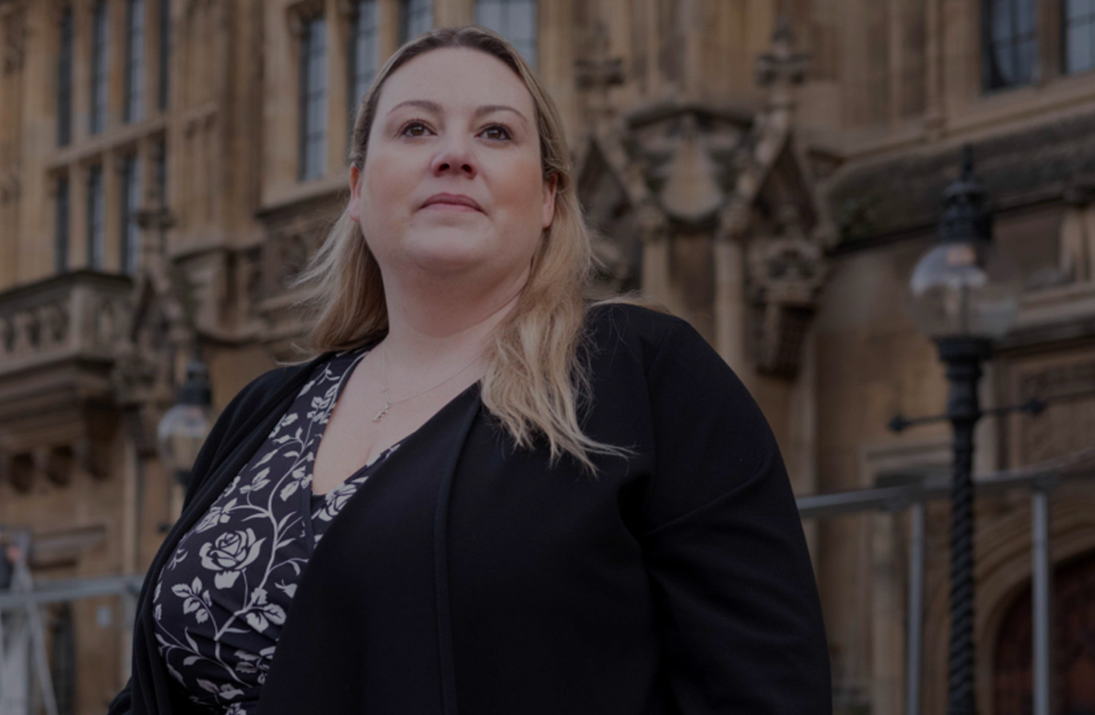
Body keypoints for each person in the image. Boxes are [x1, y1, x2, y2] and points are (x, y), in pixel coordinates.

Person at [108, 26, 831, 715]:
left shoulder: (632, 376)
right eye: (416, 128)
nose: (454, 154)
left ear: (548, 196)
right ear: (358, 190)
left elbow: (763, 687)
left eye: (495, 132)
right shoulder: (265, 409)